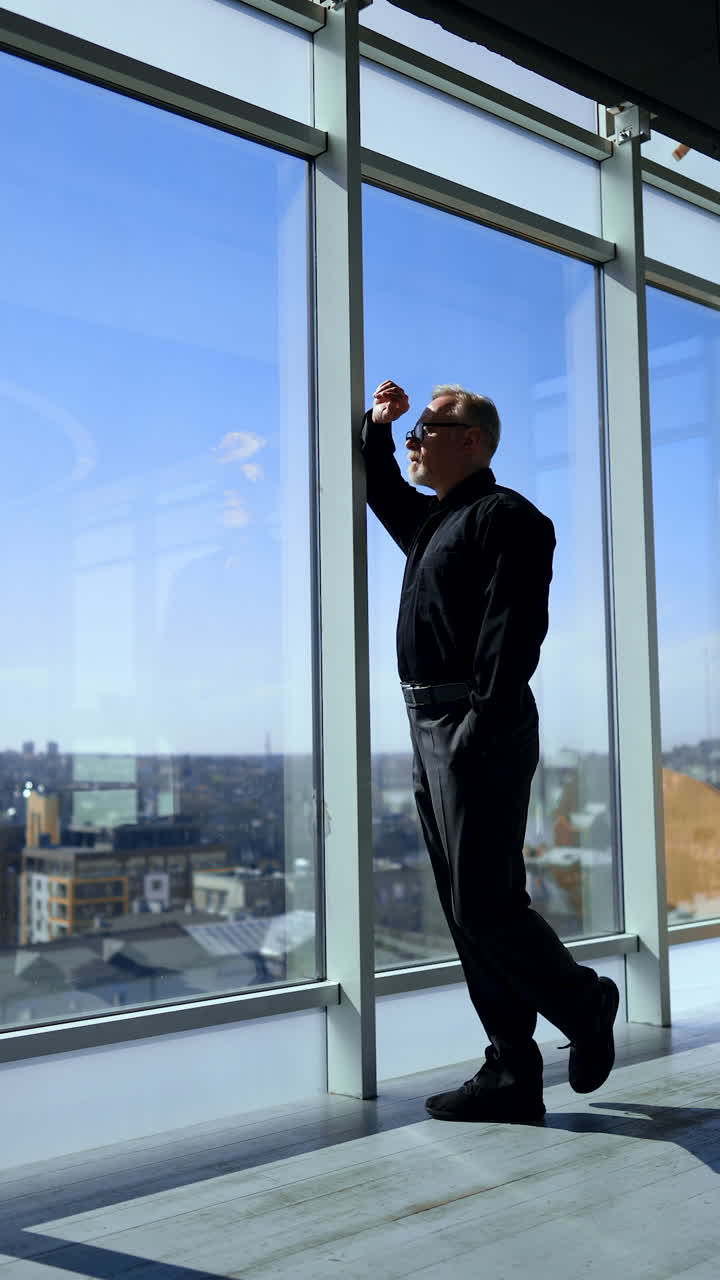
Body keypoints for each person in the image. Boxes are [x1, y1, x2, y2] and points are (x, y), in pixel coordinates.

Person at [360, 379, 619, 1123]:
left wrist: (479, 728)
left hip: (478, 727)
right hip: (428, 729)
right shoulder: (435, 523)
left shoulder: (508, 519)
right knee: (463, 904)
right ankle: (511, 1069)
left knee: (483, 901)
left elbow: (513, 637)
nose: (414, 443)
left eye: (426, 430)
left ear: (470, 438)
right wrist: (382, 425)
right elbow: (379, 486)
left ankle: (584, 1003)